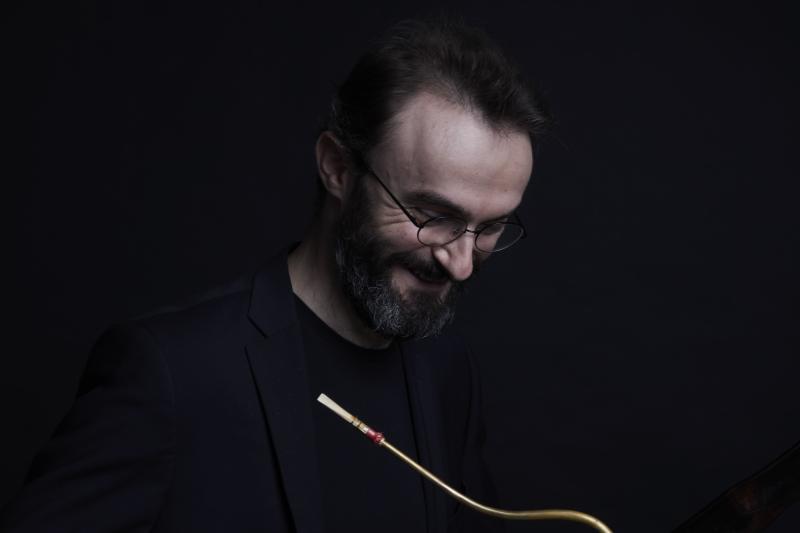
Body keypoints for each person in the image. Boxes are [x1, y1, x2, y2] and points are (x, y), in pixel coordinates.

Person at [0, 16, 549, 533]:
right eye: (433, 215)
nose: (462, 262)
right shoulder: (170, 372)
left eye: (491, 226)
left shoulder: (446, 368)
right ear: (337, 168)